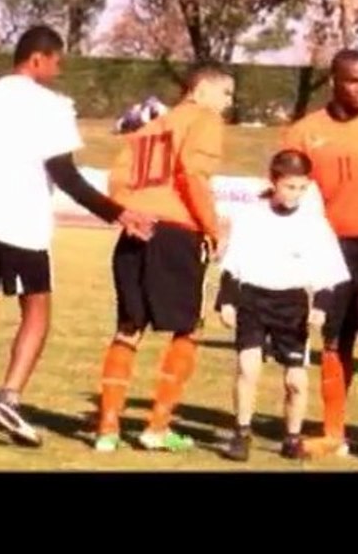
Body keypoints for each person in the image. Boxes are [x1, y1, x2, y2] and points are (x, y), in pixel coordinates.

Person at [0, 25, 155, 446]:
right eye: (57, 61)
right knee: (36, 310)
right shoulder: (51, 106)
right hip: (22, 225)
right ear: (38, 59)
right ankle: (8, 396)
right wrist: (118, 213)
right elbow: (65, 175)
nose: (58, 70)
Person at [94, 63, 234, 453]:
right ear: (203, 89)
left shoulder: (148, 127)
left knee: (128, 326)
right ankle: (158, 426)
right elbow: (193, 174)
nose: (228, 103)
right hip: (175, 230)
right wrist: (211, 227)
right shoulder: (204, 119)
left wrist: (133, 215)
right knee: (189, 326)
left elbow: (116, 183)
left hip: (135, 230)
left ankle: (107, 429)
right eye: (226, 93)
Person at [282, 49, 358, 459]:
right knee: (334, 338)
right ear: (334, 81)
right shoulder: (304, 130)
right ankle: (333, 432)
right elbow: (284, 184)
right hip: (330, 248)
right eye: (353, 80)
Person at [216, 150, 350, 462]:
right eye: (290, 187)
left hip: (291, 304)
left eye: (302, 188)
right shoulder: (251, 216)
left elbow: (328, 271)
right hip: (253, 298)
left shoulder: (314, 223)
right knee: (248, 368)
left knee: (296, 382)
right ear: (273, 182)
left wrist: (321, 306)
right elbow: (232, 263)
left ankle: (292, 437)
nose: (296, 194)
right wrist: (226, 301)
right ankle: (241, 434)